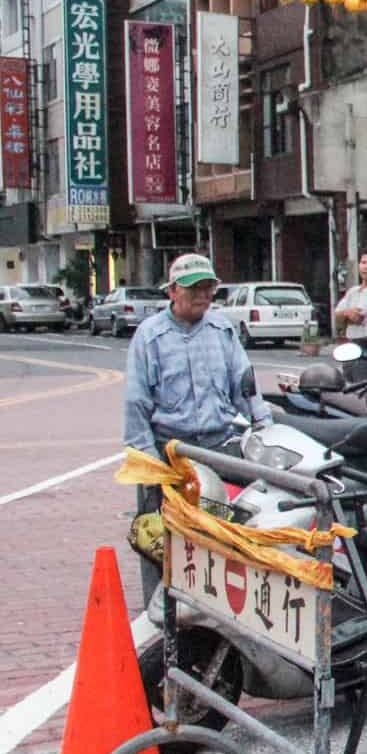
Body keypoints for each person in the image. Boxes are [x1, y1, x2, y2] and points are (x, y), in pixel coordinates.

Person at [123, 254, 273, 602]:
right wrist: (149, 463)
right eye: (194, 289)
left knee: (227, 524)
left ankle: (218, 602)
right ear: (173, 291)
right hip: (169, 452)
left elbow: (244, 385)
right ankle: (159, 611)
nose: (203, 296)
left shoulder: (221, 330)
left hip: (219, 446)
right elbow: (136, 403)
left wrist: (263, 426)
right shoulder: (150, 336)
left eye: (208, 288)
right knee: (160, 534)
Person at [332, 247, 367, 342]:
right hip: (353, 342)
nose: (366, 267)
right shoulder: (352, 291)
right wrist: (348, 313)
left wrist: (345, 315)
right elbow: (337, 318)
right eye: (363, 262)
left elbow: (357, 318)